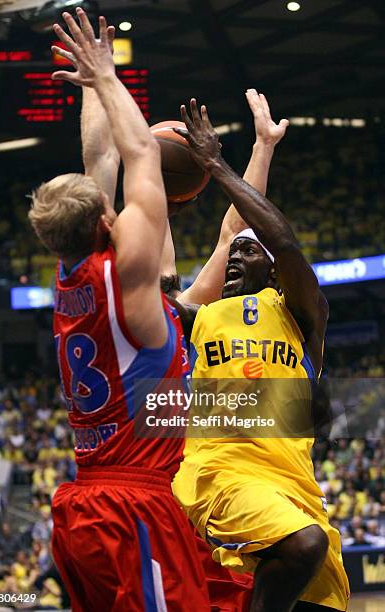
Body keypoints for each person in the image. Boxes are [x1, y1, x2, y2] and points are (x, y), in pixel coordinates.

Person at [29, 9, 209, 611]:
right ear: (106, 223)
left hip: (85, 504)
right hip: (133, 505)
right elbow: (141, 156)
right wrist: (107, 75)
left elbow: (99, 165)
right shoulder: (129, 279)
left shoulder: (71, 274)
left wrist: (93, 85)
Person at [170, 100, 349, 612]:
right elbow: (229, 238)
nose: (234, 259)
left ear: (272, 272)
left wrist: (249, 153)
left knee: (322, 594)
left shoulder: (300, 311)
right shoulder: (200, 316)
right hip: (219, 471)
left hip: (291, 484)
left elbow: (277, 239)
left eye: (248, 254)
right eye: (233, 255)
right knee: (303, 544)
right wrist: (155, 194)